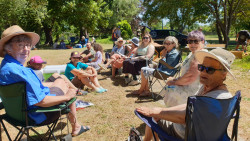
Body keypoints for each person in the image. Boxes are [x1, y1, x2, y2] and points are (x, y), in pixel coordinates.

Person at [0, 25, 89, 137]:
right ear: (8, 48)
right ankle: (76, 127)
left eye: (28, 45)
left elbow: (26, 87)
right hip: (37, 115)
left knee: (59, 81)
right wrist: (67, 97)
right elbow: (41, 102)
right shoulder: (20, 71)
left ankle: (76, 123)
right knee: (64, 84)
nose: (26, 49)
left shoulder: (6, 67)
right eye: (20, 45)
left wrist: (50, 84)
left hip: (15, 115)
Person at [136, 48, 235, 141]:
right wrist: (162, 110)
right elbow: (189, 106)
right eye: (201, 67)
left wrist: (156, 113)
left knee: (151, 117)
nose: (203, 72)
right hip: (193, 131)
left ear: (224, 74)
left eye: (210, 69)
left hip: (185, 135)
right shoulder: (209, 88)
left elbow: (185, 118)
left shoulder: (216, 99)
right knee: (156, 113)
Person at [163, 30, 206, 107]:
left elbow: (190, 77)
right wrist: (176, 79)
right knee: (168, 86)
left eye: (196, 41)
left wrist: (174, 83)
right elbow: (186, 73)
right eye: (190, 41)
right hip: (187, 86)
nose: (192, 44)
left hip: (193, 93)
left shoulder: (200, 55)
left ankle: (174, 115)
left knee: (169, 88)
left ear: (202, 42)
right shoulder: (192, 54)